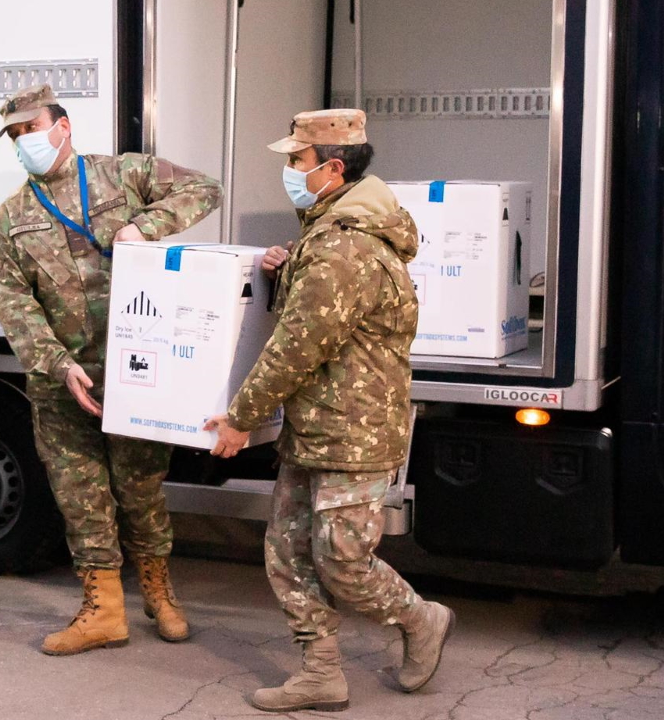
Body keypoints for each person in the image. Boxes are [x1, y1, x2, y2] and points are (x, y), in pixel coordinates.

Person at [204, 109, 455, 712]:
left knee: (343, 562)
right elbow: (322, 315)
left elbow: (298, 345)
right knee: (288, 553)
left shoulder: (344, 248)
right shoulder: (325, 235)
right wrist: (285, 267)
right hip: (316, 425)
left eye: (297, 160)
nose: (290, 171)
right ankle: (320, 672)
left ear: (332, 168)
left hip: (355, 431)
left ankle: (420, 620)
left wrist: (240, 418)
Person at [0, 84, 223, 655]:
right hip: (64, 384)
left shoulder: (121, 176)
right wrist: (58, 364)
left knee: (140, 491)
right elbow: (13, 301)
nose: (25, 142)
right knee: (81, 499)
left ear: (62, 126)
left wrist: (147, 225)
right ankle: (103, 612)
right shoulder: (12, 218)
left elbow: (203, 189)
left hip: (136, 375)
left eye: (31, 128)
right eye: (15, 135)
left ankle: (160, 595)